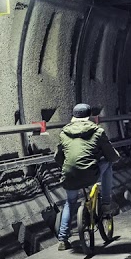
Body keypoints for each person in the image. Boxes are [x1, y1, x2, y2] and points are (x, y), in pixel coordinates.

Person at [54, 103, 121, 250]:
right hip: (90, 174)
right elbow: (111, 155)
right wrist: (116, 157)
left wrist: (69, 167)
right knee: (108, 163)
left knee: (70, 202)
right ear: (89, 116)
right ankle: (106, 204)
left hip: (70, 175)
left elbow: (58, 157)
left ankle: (63, 240)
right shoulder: (97, 131)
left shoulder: (64, 132)